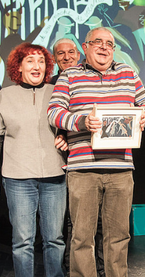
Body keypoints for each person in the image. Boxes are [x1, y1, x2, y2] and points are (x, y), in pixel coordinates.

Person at [47, 27, 145, 277]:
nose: (105, 47)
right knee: (82, 237)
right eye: (98, 42)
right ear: (85, 47)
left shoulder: (128, 73)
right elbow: (54, 112)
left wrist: (142, 117)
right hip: (83, 169)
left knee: (118, 237)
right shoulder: (70, 76)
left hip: (121, 168)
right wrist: (82, 122)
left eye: (110, 43)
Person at [0, 43, 68, 277]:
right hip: (18, 178)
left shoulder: (57, 93)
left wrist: (66, 137)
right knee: (22, 241)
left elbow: (69, 126)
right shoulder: (5, 96)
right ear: (18, 67)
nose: (36, 66)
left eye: (41, 61)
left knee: (55, 239)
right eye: (30, 61)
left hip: (54, 176)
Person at [50, 37, 105, 276]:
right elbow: (51, 115)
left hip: (91, 159)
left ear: (80, 52)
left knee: (100, 224)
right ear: (54, 59)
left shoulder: (91, 78)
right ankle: (72, 269)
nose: (66, 57)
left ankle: (101, 269)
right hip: (59, 162)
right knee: (71, 224)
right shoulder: (51, 84)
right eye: (60, 54)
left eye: (71, 52)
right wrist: (60, 133)